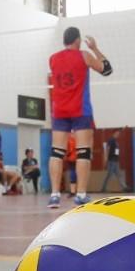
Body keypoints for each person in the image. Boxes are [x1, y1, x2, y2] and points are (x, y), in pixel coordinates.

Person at [47, 28, 111, 210]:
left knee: (56, 153)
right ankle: (81, 195)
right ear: (78, 40)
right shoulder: (84, 55)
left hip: (59, 110)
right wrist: (95, 48)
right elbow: (106, 70)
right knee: (83, 152)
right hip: (80, 109)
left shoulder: (53, 59)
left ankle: (54, 195)